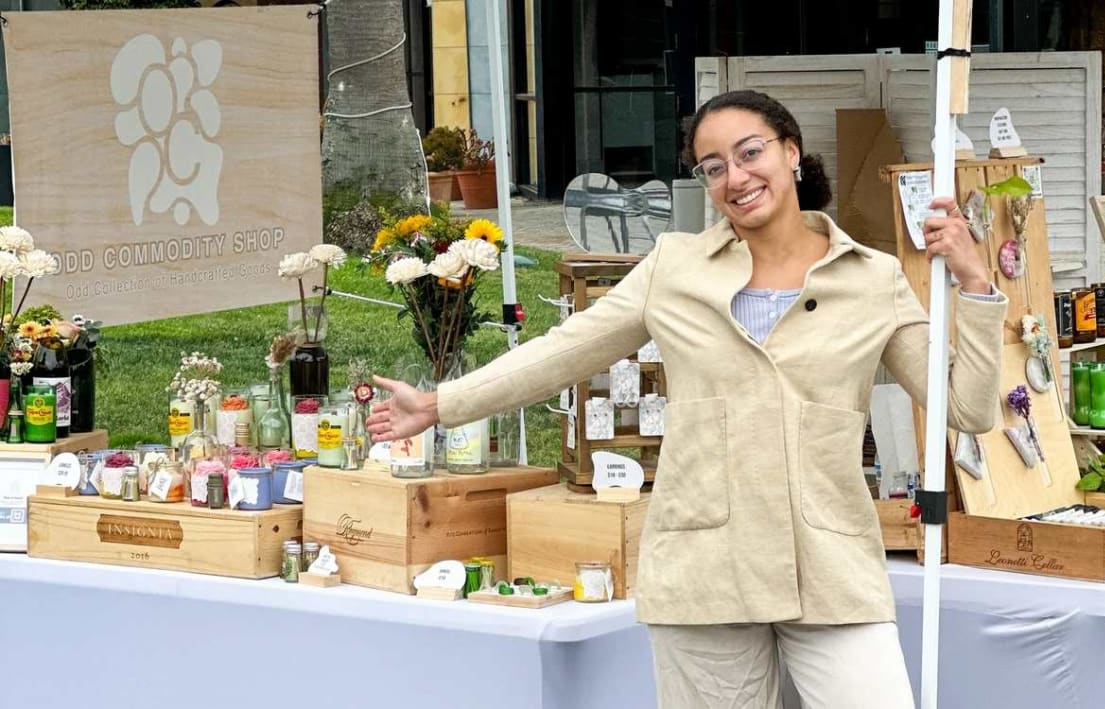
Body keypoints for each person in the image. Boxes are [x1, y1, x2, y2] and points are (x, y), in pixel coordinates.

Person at [367, 89, 1006, 708]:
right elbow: (564, 351)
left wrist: (976, 284)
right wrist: (440, 404)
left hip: (832, 568)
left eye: (750, 152)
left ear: (791, 152)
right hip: (706, 567)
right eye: (713, 166)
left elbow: (967, 408)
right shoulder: (676, 267)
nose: (736, 176)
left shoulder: (873, 278)